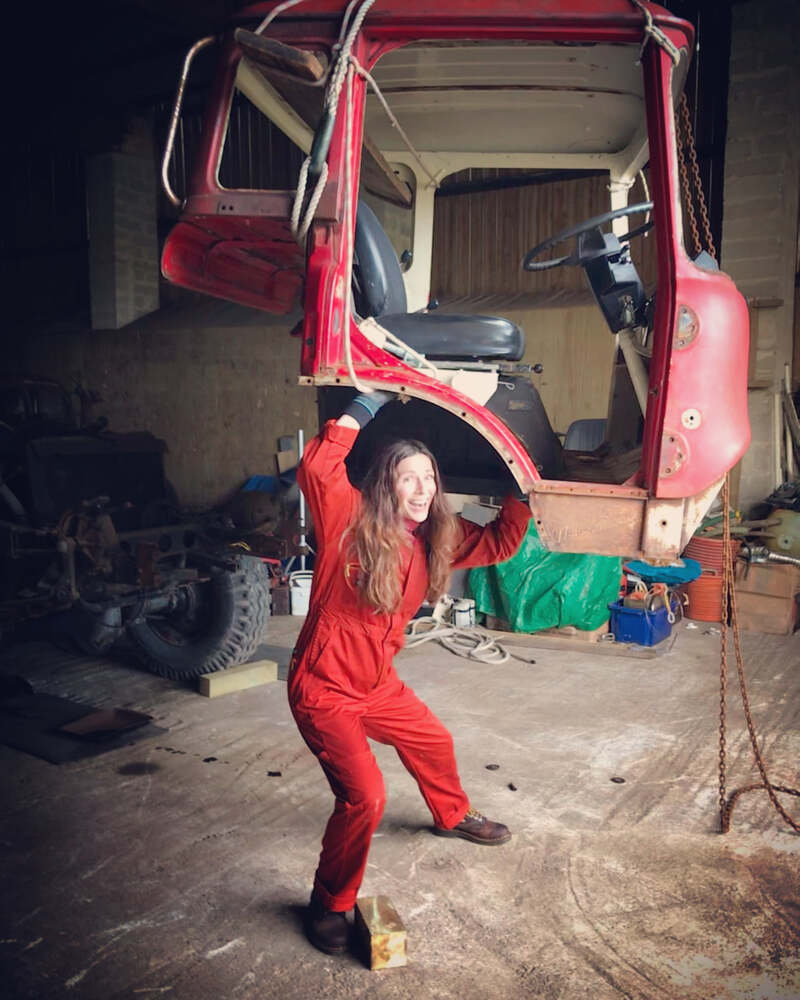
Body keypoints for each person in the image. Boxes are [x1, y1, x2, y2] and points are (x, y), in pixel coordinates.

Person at [288, 390, 532, 955]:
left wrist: (520, 490)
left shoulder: (435, 538)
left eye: (429, 478)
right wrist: (365, 405)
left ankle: (450, 814)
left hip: (377, 685)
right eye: (408, 478)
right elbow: (318, 465)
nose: (422, 490)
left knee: (433, 740)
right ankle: (330, 903)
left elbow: (498, 541)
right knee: (364, 798)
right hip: (324, 690)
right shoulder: (347, 523)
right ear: (385, 485)